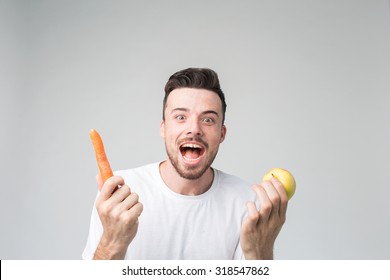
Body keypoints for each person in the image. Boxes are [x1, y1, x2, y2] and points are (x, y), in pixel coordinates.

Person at [82, 68, 288, 260]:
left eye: (208, 120)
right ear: (163, 128)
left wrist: (260, 255)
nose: (194, 129)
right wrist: (111, 243)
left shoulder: (248, 202)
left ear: (222, 134)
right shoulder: (118, 194)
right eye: (181, 117)